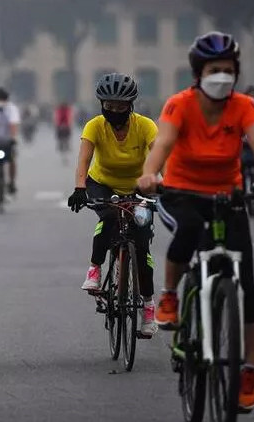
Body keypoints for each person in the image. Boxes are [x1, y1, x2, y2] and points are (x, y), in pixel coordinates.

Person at [136, 31, 254, 412]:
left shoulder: (243, 106)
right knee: (189, 231)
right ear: (199, 72)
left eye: (229, 70)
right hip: (181, 194)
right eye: (215, 70)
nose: (223, 77)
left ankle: (248, 370)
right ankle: (170, 296)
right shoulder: (180, 104)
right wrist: (149, 173)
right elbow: (162, 143)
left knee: (247, 286)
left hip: (229, 196)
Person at [67, 72, 159, 338]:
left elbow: (159, 156)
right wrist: (79, 188)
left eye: (120, 106)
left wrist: (163, 182)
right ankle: (95, 269)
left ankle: (149, 309)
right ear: (101, 105)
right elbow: (84, 160)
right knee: (108, 217)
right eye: (109, 106)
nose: (114, 111)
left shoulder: (145, 126)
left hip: (139, 185)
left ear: (131, 105)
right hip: (102, 184)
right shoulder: (95, 125)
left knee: (141, 244)